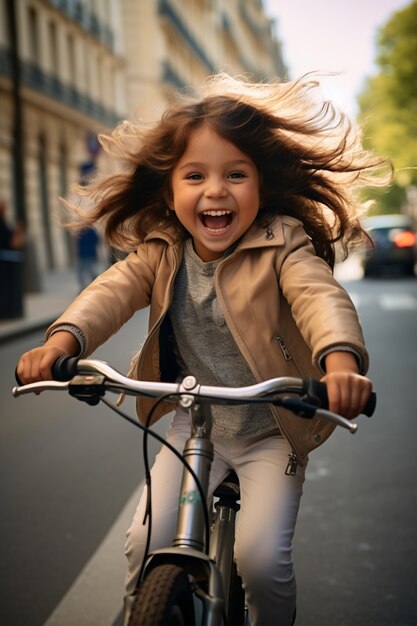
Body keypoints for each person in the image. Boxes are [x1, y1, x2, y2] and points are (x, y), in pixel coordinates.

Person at [16, 73, 391, 625]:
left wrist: (340, 363)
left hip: (271, 429)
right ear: (171, 192)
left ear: (260, 186)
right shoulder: (161, 250)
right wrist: (63, 339)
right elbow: (110, 293)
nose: (215, 190)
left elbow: (321, 299)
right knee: (142, 542)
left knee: (261, 561)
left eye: (235, 175)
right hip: (194, 426)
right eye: (195, 176)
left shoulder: (280, 243)